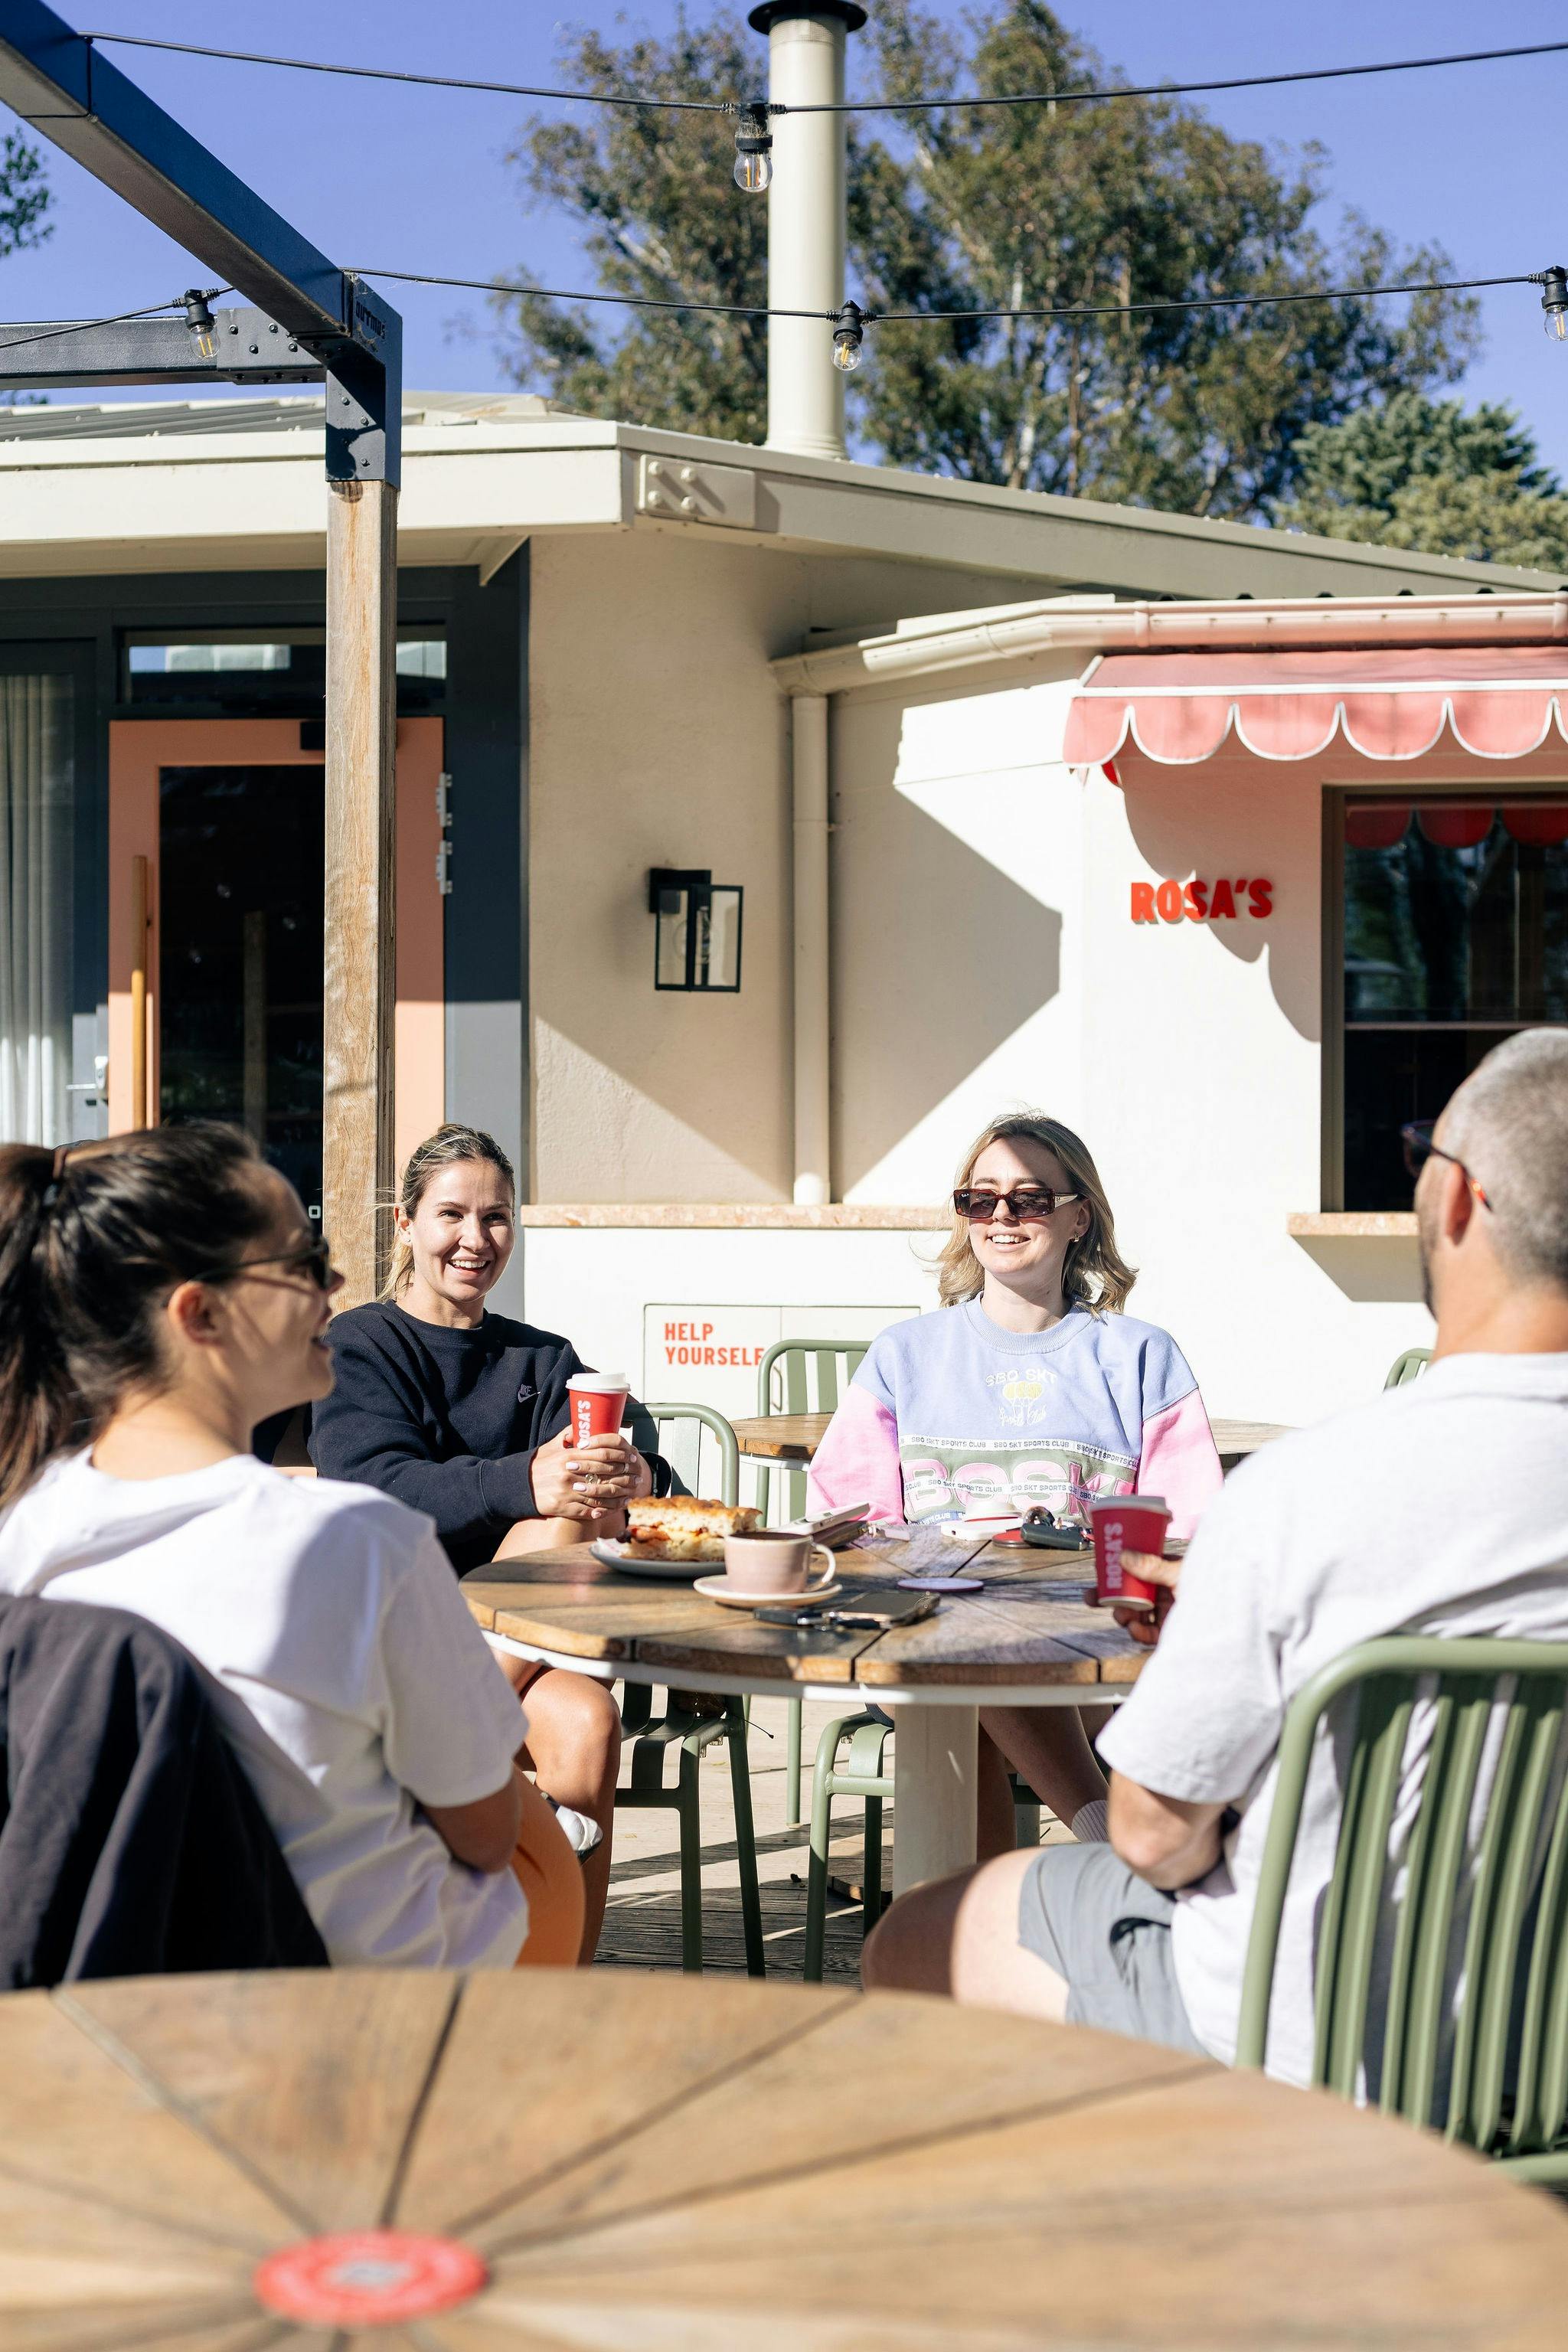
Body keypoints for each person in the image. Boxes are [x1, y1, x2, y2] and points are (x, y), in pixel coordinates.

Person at [863, 1032, 1568, 2095]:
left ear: (1457, 1201)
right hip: (1539, 2042)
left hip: (1309, 2044)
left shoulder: (1304, 1493)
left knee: (918, 1935)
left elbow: (1154, 1837)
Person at [0, 1125, 585, 1970]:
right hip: (373, 2005)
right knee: (543, 1846)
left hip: (132, 1980)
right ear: (200, 1313)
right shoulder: (356, 1546)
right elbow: (487, 1835)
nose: (335, 1283)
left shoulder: (26, 1529)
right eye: (303, 1262)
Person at [808, 1112, 1222, 1857]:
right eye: (980, 1198)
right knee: (963, 1666)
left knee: (971, 1707)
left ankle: (983, 1917)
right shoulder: (905, 1354)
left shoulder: (1138, 1356)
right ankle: (1107, 1843)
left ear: (1077, 1218)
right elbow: (848, 1523)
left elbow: (1190, 1528)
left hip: (1092, 1645)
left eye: (1027, 1199)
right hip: (924, 1637)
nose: (1000, 1216)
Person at [309, 1124, 671, 1962]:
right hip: (394, 1642)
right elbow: (374, 1489)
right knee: (554, 1526)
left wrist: (638, 1476)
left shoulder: (543, 1360)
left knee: (586, 1718)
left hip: (518, 1656)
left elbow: (651, 1476)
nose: (475, 1239)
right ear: (406, 1223)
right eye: (451, 1215)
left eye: (496, 1217)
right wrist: (524, 1484)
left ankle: (558, 1981)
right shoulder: (361, 1345)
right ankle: (454, 1736)